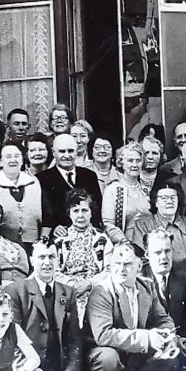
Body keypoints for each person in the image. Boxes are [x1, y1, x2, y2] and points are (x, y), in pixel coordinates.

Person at [84, 242, 178, 371]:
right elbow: (103, 335)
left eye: (127, 264)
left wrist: (169, 336)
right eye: (116, 264)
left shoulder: (147, 286)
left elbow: (163, 319)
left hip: (133, 354)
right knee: (107, 358)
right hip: (104, 354)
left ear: (139, 265)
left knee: (170, 347)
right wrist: (147, 337)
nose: (121, 269)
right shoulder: (101, 292)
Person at [5, 238, 85, 371]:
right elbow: (13, 342)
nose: (47, 262)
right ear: (32, 260)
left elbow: (74, 339)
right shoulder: (16, 292)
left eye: (52, 257)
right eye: (42, 257)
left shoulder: (68, 293)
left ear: (58, 260)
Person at [142, 228, 186, 371]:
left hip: (184, 342)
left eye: (167, 251)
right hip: (153, 344)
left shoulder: (183, 278)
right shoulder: (139, 280)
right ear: (147, 254)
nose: (164, 257)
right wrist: (173, 340)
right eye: (157, 252)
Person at [126, 182, 186, 292]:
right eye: (164, 198)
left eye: (173, 197)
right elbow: (141, 258)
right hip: (159, 286)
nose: (169, 201)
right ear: (155, 202)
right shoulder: (143, 225)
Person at [54, 188, 110, 323]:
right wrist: (72, 286)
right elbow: (54, 271)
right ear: (69, 214)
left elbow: (109, 269)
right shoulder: (60, 241)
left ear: (91, 213)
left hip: (95, 289)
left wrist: (89, 283)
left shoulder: (102, 239)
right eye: (75, 211)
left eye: (85, 210)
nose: (80, 215)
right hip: (67, 291)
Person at [38, 133, 103, 235]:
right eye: (62, 151)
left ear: (76, 152)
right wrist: (54, 228)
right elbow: (43, 214)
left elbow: (97, 208)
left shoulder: (89, 176)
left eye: (71, 151)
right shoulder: (42, 179)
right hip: (57, 237)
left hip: (89, 235)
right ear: (54, 153)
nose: (67, 155)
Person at [0, 141, 43, 249]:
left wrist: (42, 242)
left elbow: (47, 215)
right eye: (8, 156)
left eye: (17, 156)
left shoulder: (35, 182)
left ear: (22, 160)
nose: (13, 160)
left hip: (33, 244)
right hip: (0, 246)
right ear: (0, 161)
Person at [101, 142, 150, 242]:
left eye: (138, 160)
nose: (135, 165)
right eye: (130, 161)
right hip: (124, 245)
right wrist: (126, 243)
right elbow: (108, 225)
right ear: (121, 163)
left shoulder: (146, 190)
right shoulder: (113, 189)